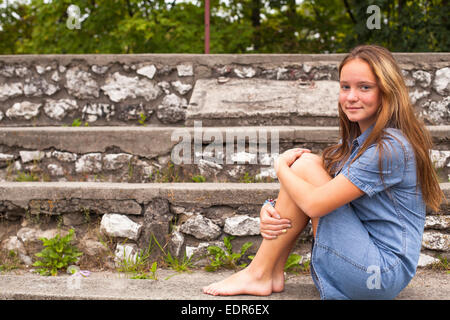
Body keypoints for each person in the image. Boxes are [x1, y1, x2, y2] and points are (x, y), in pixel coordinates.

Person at [202, 44, 444, 299]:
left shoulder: (390, 148)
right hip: (367, 261)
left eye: (365, 87)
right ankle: (269, 273)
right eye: (345, 87)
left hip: (379, 272)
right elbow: (306, 191)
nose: (351, 96)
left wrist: (279, 167)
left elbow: (316, 204)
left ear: (387, 91)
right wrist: (270, 205)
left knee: (304, 164)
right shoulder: (357, 144)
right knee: (307, 165)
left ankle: (258, 273)